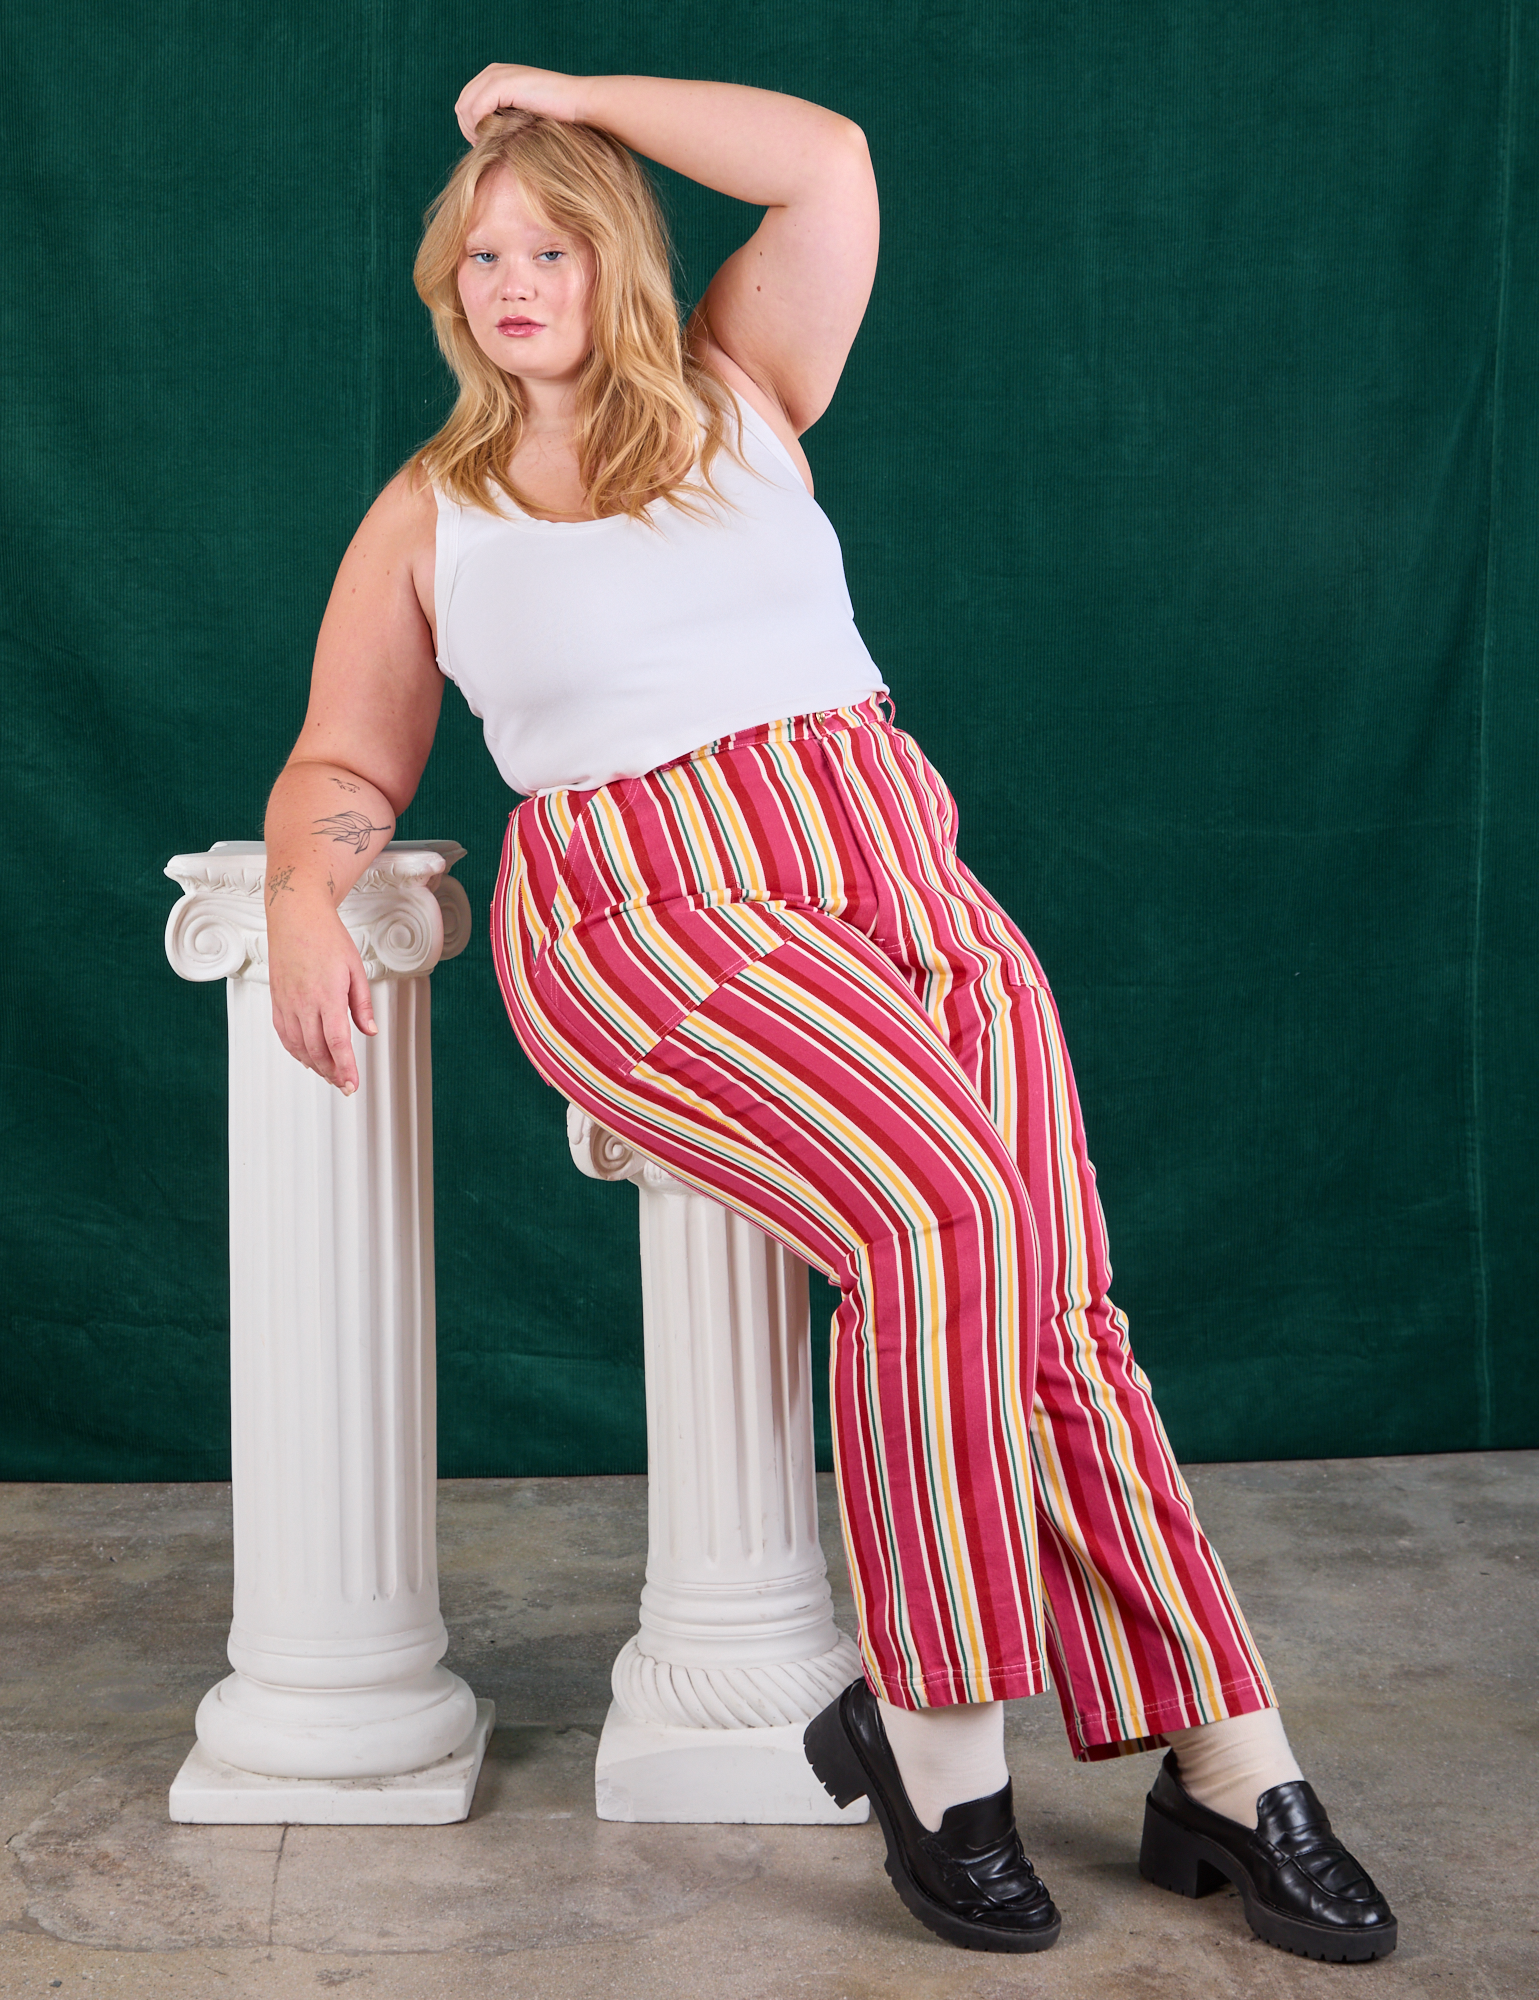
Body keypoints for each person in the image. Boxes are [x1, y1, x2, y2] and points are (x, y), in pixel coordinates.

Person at [262, 64, 1396, 1961]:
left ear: (613, 256)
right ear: (443, 289)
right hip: (654, 914)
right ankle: (950, 1751)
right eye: (479, 259)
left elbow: (826, 162)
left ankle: (1221, 1761)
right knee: (942, 1217)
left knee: (1053, 1298)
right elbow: (337, 760)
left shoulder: (740, 390)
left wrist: (563, 97)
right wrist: (308, 881)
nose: (511, 282)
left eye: (547, 244)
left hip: (898, 869)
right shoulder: (429, 513)